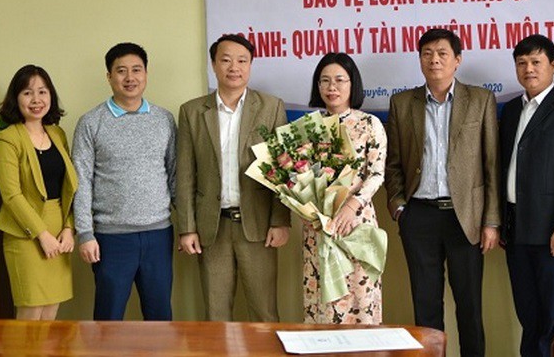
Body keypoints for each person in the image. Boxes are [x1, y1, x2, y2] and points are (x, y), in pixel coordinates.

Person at [384, 27, 500, 357]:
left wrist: (491, 221)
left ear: (457, 60)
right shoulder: (402, 103)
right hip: (419, 216)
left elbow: (491, 164)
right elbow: (393, 163)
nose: (434, 60)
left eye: (442, 54)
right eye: (427, 54)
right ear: (420, 59)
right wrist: (399, 207)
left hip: (466, 218)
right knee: (426, 306)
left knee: (469, 306)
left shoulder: (480, 100)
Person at [175, 34, 290, 321]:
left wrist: (280, 221)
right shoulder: (192, 111)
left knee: (264, 313)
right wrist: (187, 228)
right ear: (213, 64)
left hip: (258, 226)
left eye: (242, 60)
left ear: (251, 65)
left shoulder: (271, 107)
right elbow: (185, 173)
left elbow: (283, 169)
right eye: (225, 60)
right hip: (211, 228)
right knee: (216, 315)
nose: (234, 67)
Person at [499, 35, 554, 357]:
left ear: (553, 66)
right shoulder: (512, 109)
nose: (529, 69)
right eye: (521, 63)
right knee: (528, 314)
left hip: (552, 230)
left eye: (536, 62)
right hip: (515, 229)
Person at [72, 42, 177, 321]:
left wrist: (189, 227)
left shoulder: (164, 119)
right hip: (110, 238)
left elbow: (175, 175)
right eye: (121, 71)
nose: (130, 77)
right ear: (109, 76)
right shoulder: (91, 122)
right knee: (108, 319)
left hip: (159, 234)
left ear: (146, 74)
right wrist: (85, 233)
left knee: (160, 317)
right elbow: (81, 181)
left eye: (136, 70)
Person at [304, 52, 386, 324]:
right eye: (325, 80)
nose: (332, 87)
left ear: (353, 84)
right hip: (320, 227)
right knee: (322, 300)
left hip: (357, 223)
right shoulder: (309, 126)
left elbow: (376, 174)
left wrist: (352, 205)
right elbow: (299, 177)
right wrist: (309, 210)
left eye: (340, 80)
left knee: (360, 298)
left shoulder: (369, 124)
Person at [0, 64, 77, 320]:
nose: (36, 99)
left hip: (58, 228)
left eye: (42, 91)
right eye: (27, 93)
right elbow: (11, 196)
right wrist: (42, 234)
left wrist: (69, 228)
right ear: (16, 98)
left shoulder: (57, 134)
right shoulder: (7, 139)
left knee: (51, 309)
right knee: (31, 310)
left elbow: (68, 187)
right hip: (25, 232)